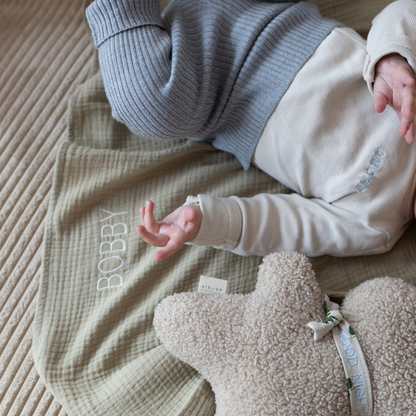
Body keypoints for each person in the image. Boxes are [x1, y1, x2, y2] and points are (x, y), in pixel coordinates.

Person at [86, 0, 416, 260]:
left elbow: (284, 226)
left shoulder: (376, 225)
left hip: (221, 96)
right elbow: (405, 11)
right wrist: (392, 56)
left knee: (152, 108)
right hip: (281, 17)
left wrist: (204, 222)